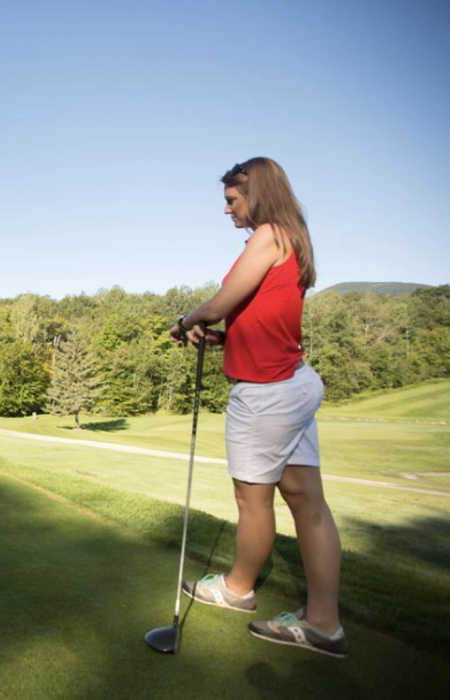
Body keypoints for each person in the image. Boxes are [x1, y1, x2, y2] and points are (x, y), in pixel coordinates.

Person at [170, 158, 347, 658]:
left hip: (266, 392)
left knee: (253, 500)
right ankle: (324, 625)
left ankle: (237, 589)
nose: (226, 210)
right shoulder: (290, 238)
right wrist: (224, 337)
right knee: (305, 499)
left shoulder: (268, 234)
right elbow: (256, 320)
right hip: (291, 381)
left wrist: (186, 321)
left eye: (232, 200)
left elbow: (222, 301)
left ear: (258, 192)